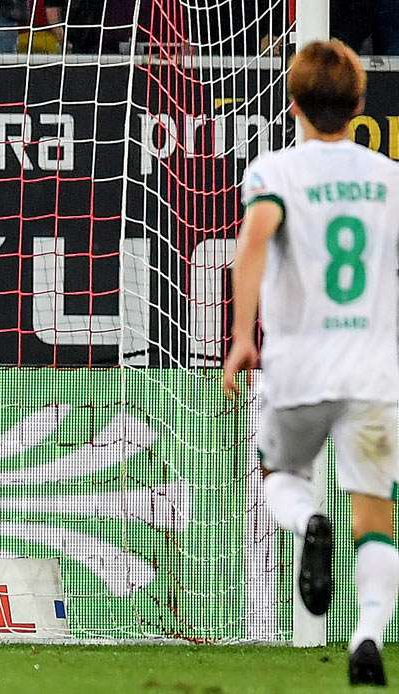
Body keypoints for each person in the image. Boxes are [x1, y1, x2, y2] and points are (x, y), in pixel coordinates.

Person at [223, 40, 399, 687]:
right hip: (375, 371)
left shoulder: (275, 172)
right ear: (359, 103)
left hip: (298, 365)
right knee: (375, 512)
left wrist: (243, 334)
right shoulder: (389, 179)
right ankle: (368, 635)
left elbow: (254, 242)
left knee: (279, 475)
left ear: (292, 104)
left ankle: (307, 523)